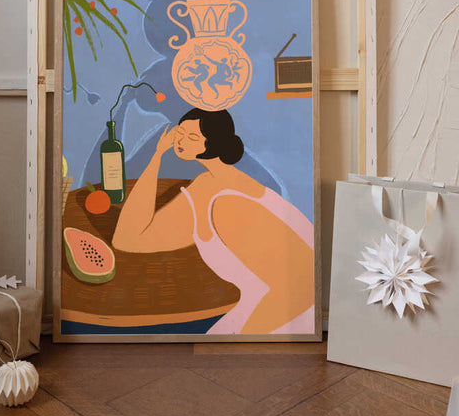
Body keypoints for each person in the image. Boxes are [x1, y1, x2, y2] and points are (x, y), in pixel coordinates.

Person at [112, 108, 315, 335]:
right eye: (180, 133)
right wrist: (158, 155)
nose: (180, 141)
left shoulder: (226, 202)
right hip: (263, 307)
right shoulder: (209, 182)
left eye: (192, 137)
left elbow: (300, 291)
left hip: (284, 318)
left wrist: (240, 343)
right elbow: (128, 237)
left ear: (214, 143)